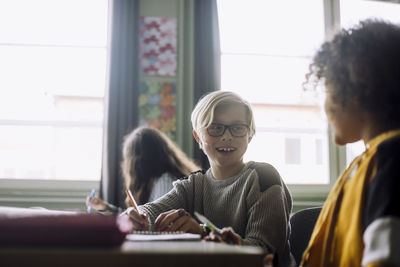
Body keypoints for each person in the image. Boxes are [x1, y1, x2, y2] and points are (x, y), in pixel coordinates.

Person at [124, 91, 295, 267]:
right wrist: (134, 217)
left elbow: (263, 254)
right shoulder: (193, 185)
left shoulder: (263, 177)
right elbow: (151, 211)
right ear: (198, 137)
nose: (227, 136)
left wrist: (204, 234)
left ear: (249, 135)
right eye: (215, 128)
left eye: (238, 128)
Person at [300, 19, 400, 266]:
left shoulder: (392, 158)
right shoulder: (369, 160)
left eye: (328, 90)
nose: (325, 106)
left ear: (354, 91)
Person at [86, 126, 200, 213]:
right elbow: (141, 219)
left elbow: (153, 224)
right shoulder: (162, 180)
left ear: (137, 162)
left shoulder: (166, 182)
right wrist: (106, 207)